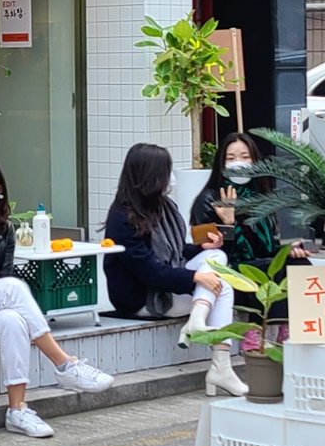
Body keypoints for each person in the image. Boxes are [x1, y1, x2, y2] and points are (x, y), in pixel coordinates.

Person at [0, 155, 115, 439]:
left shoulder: (4, 228)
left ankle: (17, 410)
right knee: (12, 289)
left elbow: (3, 275)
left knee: (12, 319)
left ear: (0, 190)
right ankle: (65, 364)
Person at [102, 142, 245, 396]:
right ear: (150, 175)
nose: (171, 179)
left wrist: (202, 248)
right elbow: (150, 272)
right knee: (220, 286)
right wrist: (195, 276)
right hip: (143, 299)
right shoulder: (122, 217)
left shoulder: (164, 207)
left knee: (215, 256)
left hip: (167, 290)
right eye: (166, 172)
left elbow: (177, 253)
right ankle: (220, 364)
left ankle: (199, 323)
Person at [189, 131, 306, 270]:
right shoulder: (208, 200)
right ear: (221, 163)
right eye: (231, 158)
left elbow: (265, 251)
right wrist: (229, 223)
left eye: (245, 157)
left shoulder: (259, 197)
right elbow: (208, 253)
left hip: (259, 265)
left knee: (299, 263)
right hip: (231, 270)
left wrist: (287, 251)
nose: (238, 164)